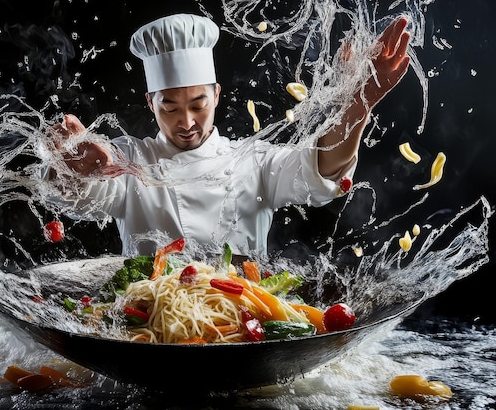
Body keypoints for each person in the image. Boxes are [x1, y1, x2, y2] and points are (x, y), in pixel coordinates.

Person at [47, 13, 410, 256]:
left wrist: (360, 102)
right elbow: (83, 198)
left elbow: (321, 167)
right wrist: (74, 168)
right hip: (149, 339)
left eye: (199, 103)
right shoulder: (131, 161)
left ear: (217, 95)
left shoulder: (253, 162)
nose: (186, 121)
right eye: (169, 107)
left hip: (245, 333)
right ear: (150, 102)